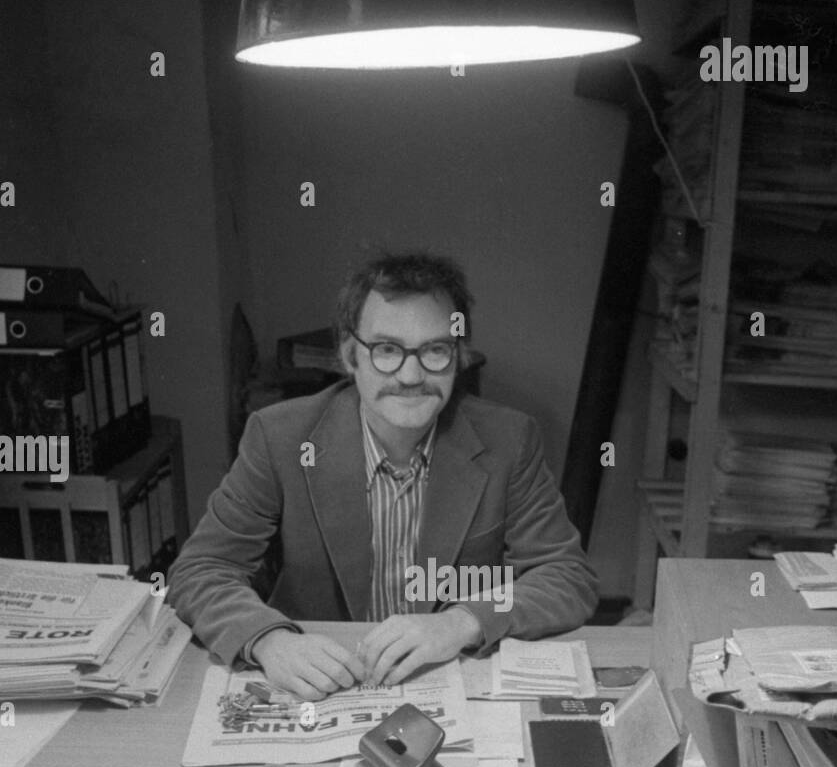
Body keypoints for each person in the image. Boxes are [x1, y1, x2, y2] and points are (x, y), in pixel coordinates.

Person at [168, 251, 598, 699]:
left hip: (448, 679)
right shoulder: (279, 438)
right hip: (324, 686)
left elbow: (566, 576)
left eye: (435, 350)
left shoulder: (511, 439)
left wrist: (461, 621)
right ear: (349, 355)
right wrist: (268, 641)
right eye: (387, 350)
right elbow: (202, 569)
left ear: (459, 356)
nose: (411, 375)